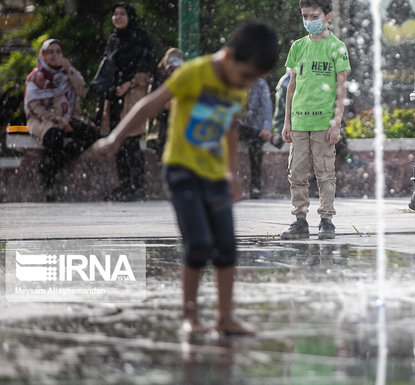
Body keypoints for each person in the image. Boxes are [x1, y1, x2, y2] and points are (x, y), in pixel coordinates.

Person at [93, 21, 280, 337]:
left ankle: (224, 317)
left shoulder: (238, 88)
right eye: (247, 76)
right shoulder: (195, 73)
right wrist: (115, 137)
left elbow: (231, 131)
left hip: (215, 174)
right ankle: (189, 316)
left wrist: (233, 175)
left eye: (254, 80)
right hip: (182, 170)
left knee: (227, 246)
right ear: (230, 56)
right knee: (199, 243)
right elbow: (149, 104)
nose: (248, 85)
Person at [280, 0, 350, 241]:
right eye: (305, 16)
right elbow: (291, 86)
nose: (309, 21)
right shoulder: (298, 47)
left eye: (314, 15)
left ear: (327, 16)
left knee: (324, 173)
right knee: (296, 174)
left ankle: (326, 220)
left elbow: (342, 89)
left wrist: (336, 123)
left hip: (323, 123)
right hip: (299, 122)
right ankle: (299, 220)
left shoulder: (337, 47)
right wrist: (286, 121)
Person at [24, 39, 98, 201]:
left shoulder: (67, 73)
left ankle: (55, 163)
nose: (54, 56)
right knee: (54, 137)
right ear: (43, 55)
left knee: (90, 133)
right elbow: (35, 108)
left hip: (69, 116)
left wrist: (69, 69)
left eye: (58, 52)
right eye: (50, 52)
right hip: (43, 119)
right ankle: (49, 186)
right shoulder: (36, 77)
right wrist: (57, 119)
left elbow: (82, 90)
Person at [98, 2, 156, 202]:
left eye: (122, 14)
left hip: (133, 95)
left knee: (131, 141)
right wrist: (111, 86)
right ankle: (124, 185)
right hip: (114, 96)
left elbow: (147, 66)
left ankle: (138, 186)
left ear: (130, 17)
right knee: (117, 142)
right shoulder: (113, 40)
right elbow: (108, 65)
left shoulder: (140, 38)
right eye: (115, 14)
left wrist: (129, 83)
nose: (118, 17)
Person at [237, 77, 273, 199]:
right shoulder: (235, 79)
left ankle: (255, 187)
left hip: (254, 126)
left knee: (256, 148)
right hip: (236, 124)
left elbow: (267, 106)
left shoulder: (260, 83)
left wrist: (267, 128)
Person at [147, 48, 184, 156]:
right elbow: (149, 109)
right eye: (171, 70)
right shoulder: (158, 80)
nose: (174, 73)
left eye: (177, 69)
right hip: (162, 127)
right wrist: (163, 105)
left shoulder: (187, 79)